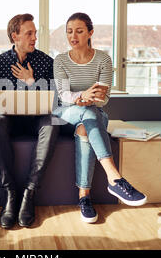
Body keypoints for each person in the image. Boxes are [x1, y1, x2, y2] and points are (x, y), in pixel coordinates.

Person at [53, 12, 147, 223]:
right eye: (69, 32)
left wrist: (88, 99)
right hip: (64, 114)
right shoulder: (60, 60)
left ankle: (84, 199)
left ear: (90, 33)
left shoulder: (103, 59)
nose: (73, 36)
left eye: (79, 31)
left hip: (93, 114)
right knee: (88, 112)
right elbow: (63, 96)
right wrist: (83, 96)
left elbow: (103, 98)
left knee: (86, 124)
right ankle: (114, 177)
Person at [0, 13, 59, 229]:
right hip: (11, 121)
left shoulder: (46, 62)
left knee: (53, 121)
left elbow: (55, 100)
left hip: (36, 120)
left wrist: (31, 82)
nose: (34, 38)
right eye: (29, 33)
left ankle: (30, 191)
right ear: (15, 36)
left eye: (35, 33)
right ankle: (10, 192)